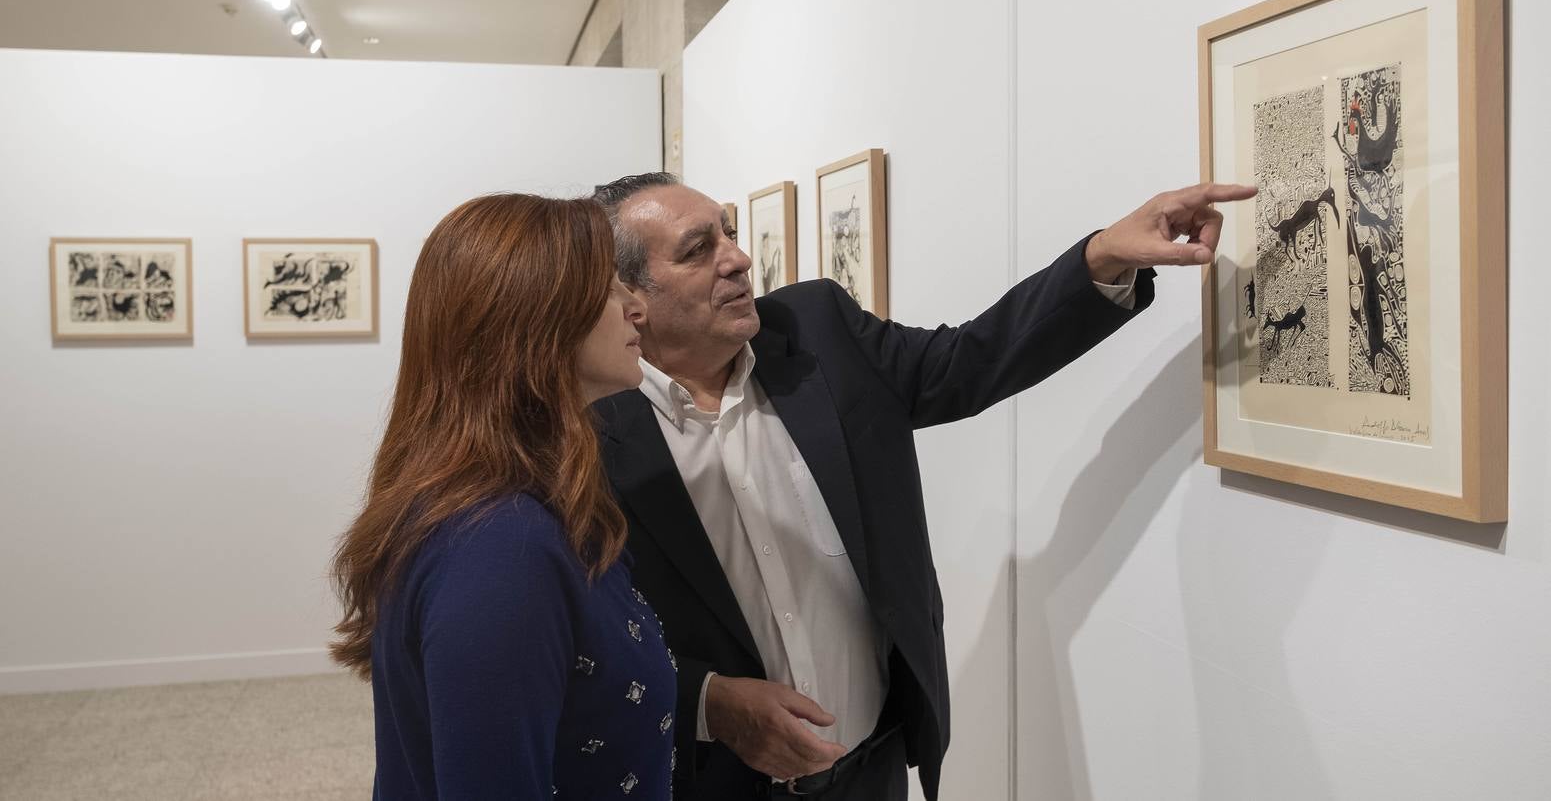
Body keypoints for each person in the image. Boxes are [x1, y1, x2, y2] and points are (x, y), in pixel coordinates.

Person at [590, 172, 1253, 800]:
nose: (735, 259)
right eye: (698, 250)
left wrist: (1102, 257)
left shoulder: (816, 329)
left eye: (728, 232)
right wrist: (711, 703)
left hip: (867, 770)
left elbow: (967, 362)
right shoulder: (583, 433)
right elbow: (579, 641)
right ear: (631, 300)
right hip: (704, 780)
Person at [329, 193, 677, 800]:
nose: (637, 306)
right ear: (537, 319)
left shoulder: (523, 507)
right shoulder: (501, 548)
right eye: (610, 286)